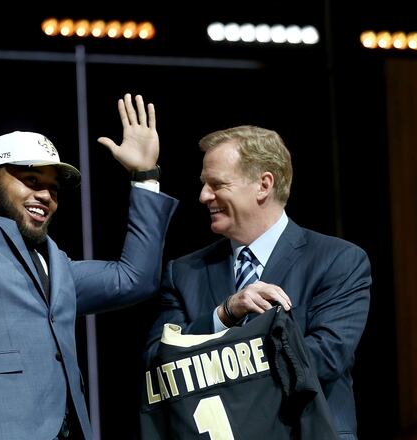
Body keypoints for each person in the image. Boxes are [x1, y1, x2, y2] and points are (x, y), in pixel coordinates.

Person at [0, 17, 178, 439]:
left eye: (52, 188)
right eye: (31, 181)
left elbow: (134, 279)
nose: (45, 196)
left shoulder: (59, 264)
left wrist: (145, 177)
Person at [144, 125, 371, 439]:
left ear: (263, 185)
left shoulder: (337, 261)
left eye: (217, 184)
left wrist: (224, 362)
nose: (203, 196)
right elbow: (157, 362)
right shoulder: (183, 273)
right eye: (203, 184)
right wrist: (223, 315)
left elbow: (325, 359)